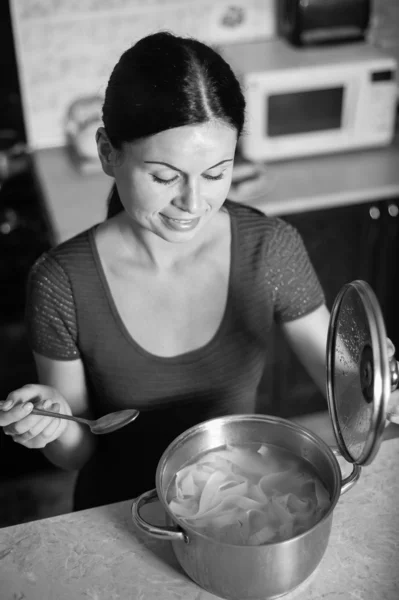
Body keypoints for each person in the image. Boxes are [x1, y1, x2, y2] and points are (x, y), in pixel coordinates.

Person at [0, 31, 398, 510]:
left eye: (215, 173)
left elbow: (343, 385)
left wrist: (378, 385)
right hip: (122, 515)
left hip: (234, 508)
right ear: (108, 152)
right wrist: (54, 423)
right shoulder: (60, 283)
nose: (193, 203)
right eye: (164, 177)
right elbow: (78, 452)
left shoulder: (269, 249)